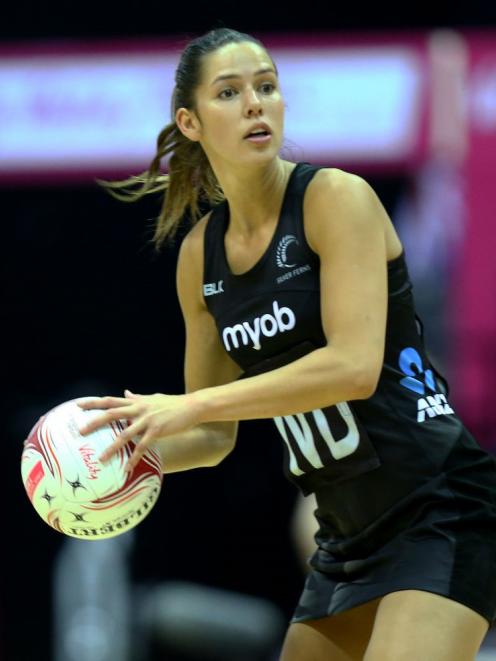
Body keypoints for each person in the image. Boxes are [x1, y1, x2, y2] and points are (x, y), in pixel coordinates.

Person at [78, 27, 496, 660]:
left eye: (266, 86)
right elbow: (214, 437)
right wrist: (126, 453)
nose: (255, 103)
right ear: (190, 122)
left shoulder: (335, 198)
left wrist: (189, 406)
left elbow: (352, 368)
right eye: (230, 92)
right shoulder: (199, 257)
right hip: (345, 538)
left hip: (439, 508)